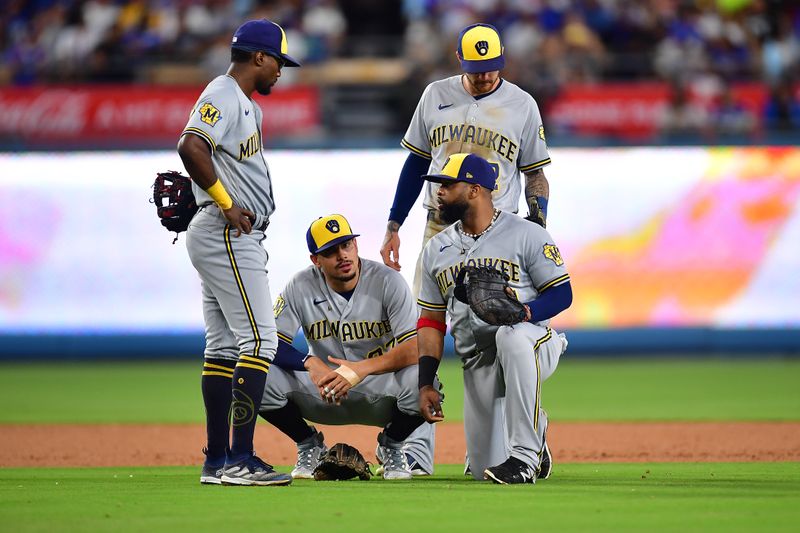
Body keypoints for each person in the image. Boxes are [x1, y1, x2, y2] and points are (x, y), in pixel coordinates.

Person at [177, 18, 301, 487]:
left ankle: (217, 461)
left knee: (224, 346)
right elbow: (191, 146)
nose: (280, 73)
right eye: (278, 63)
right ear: (259, 57)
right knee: (260, 341)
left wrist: (215, 197)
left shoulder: (245, 104)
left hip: (224, 231)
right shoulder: (224, 93)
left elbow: (208, 156)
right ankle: (239, 459)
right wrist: (225, 204)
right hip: (228, 233)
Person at [414, 153, 572, 484]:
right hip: (476, 359)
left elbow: (562, 294)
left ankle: (526, 458)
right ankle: (536, 430)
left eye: (447, 185)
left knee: (510, 336)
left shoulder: (526, 233)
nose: (438, 192)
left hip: (532, 343)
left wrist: (526, 312)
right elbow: (430, 321)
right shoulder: (435, 249)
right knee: (483, 468)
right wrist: (426, 381)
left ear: (475, 190)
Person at [380, 23, 553, 295]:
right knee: (424, 316)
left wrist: (539, 219)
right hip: (440, 222)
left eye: (491, 65)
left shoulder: (523, 104)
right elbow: (417, 162)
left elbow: (535, 173)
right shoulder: (435, 94)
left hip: (498, 227)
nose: (484, 75)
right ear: (459, 57)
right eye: (476, 68)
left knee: (494, 318)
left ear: (503, 55)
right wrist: (394, 225)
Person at [259, 214, 435, 480]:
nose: (342, 255)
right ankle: (309, 444)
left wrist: (361, 369)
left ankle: (392, 445)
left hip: (379, 388)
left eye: (346, 245)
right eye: (330, 251)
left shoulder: (388, 281)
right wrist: (310, 363)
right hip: (324, 389)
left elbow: (415, 348)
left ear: (356, 245)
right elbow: (269, 343)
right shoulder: (299, 285)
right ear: (316, 260)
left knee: (426, 379)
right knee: (256, 377)